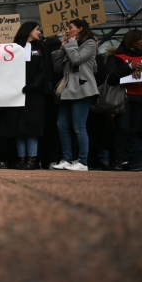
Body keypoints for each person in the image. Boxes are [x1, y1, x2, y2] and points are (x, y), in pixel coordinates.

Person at [105, 30, 142, 171]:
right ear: (131, 39)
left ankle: (128, 160)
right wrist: (130, 68)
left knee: (134, 130)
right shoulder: (116, 57)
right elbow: (111, 77)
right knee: (122, 129)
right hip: (123, 99)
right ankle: (119, 160)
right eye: (141, 39)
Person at [0, 21, 51, 170]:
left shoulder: (41, 49)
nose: (39, 32)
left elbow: (43, 70)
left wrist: (33, 86)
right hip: (17, 94)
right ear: (28, 31)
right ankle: (21, 158)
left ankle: (32, 159)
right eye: (37, 29)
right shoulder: (14, 48)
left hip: (34, 94)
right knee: (18, 127)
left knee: (32, 127)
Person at [51, 19, 99, 171]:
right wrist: (61, 49)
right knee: (62, 126)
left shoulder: (90, 43)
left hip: (82, 90)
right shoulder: (71, 45)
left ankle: (83, 162)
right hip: (67, 91)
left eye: (70, 28)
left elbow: (77, 59)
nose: (67, 30)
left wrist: (70, 45)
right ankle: (66, 158)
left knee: (79, 126)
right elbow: (58, 68)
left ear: (80, 28)